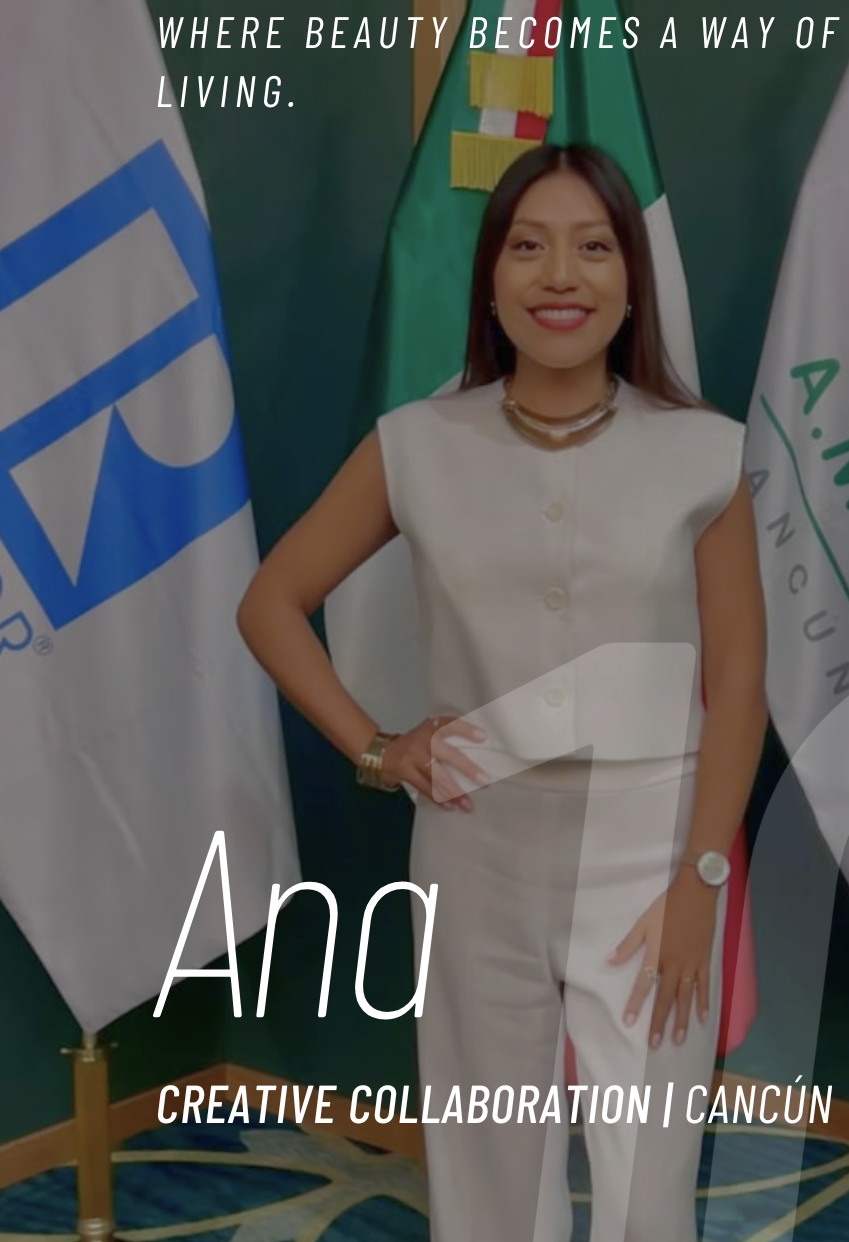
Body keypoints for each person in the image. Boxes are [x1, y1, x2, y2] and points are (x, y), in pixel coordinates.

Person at [237, 142, 768, 1242]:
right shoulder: (417, 446)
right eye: (528, 247)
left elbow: (743, 681)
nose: (559, 276)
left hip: (652, 856)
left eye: (592, 247)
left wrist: (700, 883)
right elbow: (270, 605)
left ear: (632, 281)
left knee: (647, 1186)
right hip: (477, 850)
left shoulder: (705, 455)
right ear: (489, 281)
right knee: (487, 1177)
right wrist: (378, 750)